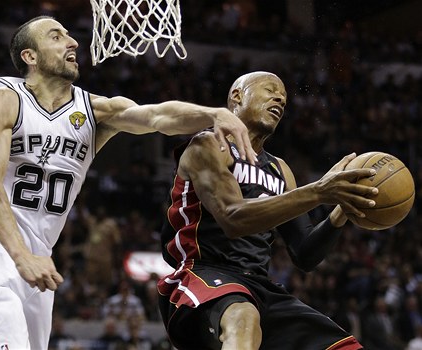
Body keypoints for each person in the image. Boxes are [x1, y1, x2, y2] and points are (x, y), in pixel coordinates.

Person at [0, 15, 256, 350]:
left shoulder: (94, 111)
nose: (72, 42)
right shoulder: (4, 99)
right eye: (56, 37)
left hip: (40, 267)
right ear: (30, 57)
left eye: (70, 35)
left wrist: (213, 113)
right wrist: (19, 255)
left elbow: (157, 116)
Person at [157, 71, 380, 350]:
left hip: (259, 287)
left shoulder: (280, 169)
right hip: (200, 276)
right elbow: (233, 217)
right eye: (270, 89)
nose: (280, 99)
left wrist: (340, 210)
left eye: (284, 99)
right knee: (243, 316)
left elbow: (305, 254)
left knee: (344, 347)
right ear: (237, 96)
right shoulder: (208, 145)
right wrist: (318, 191)